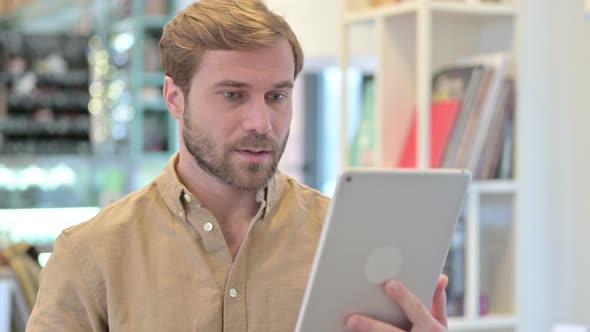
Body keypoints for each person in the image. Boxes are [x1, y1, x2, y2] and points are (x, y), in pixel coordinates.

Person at [26, 1, 449, 331]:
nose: (261, 123)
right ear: (175, 98)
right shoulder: (90, 255)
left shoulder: (347, 241)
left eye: (277, 96)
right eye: (232, 95)